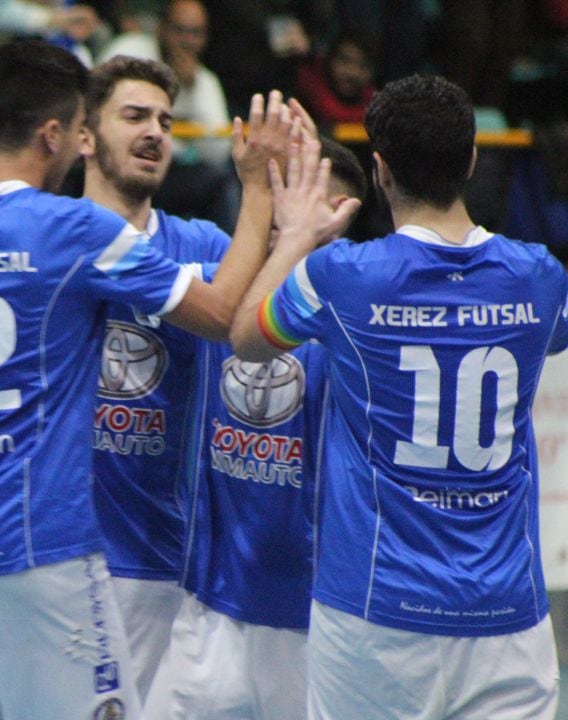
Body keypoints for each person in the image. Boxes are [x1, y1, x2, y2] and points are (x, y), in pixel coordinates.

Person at [0, 38, 294, 719]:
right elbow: (223, 315)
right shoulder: (71, 228)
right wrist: (254, 188)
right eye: (78, 132)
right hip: (35, 546)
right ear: (52, 133)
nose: (81, 147)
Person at [230, 74, 568, 719]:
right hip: (506, 618)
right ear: (472, 159)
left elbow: (247, 338)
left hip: (373, 614)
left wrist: (298, 234)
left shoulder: (343, 277)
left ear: (379, 170)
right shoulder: (539, 277)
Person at [143, 137, 367, 720]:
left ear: (341, 218)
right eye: (283, 201)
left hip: (314, 616)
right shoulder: (217, 292)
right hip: (207, 605)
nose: (290, 219)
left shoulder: (358, 314)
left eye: (312, 207)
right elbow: (124, 249)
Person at [81, 55, 232, 702]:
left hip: (159, 557)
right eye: (135, 116)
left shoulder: (201, 245)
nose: (155, 133)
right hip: (58, 554)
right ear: (84, 136)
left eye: (166, 121)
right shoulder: (45, 236)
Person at [98, 0, 239, 231]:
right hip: (113, 164)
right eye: (180, 30)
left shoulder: (204, 81)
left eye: (196, 33)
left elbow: (217, 152)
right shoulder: (130, 50)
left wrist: (190, 87)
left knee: (222, 179)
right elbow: (95, 104)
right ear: (161, 29)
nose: (187, 41)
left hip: (166, 171)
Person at [295, 30, 377, 129]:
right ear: (329, 60)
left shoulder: (371, 96)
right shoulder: (311, 79)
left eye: (363, 66)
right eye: (345, 61)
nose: (352, 73)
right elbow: (330, 113)